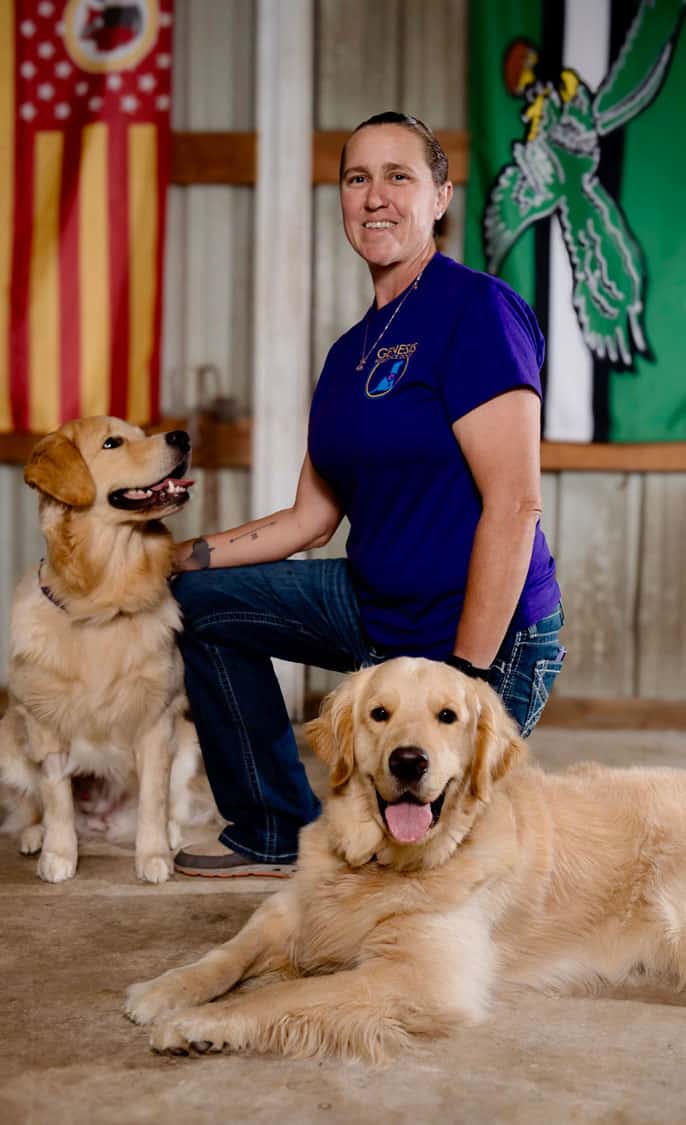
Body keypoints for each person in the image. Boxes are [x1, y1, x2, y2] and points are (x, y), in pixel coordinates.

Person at [169, 111, 565, 878]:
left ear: (441, 196)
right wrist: (182, 558)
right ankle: (269, 825)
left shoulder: (475, 310)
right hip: (377, 604)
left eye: (399, 176)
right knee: (202, 604)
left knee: (416, 859)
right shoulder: (350, 352)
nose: (375, 197)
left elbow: (515, 507)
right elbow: (310, 520)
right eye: (358, 178)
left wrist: (465, 680)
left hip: (482, 630)